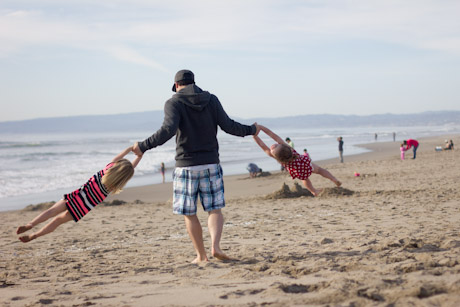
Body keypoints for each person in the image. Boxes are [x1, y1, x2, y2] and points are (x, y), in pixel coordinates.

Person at [133, 69, 257, 263]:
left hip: (186, 166)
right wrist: (252, 130)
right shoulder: (212, 100)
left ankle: (201, 256)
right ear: (194, 82)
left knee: (189, 214)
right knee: (214, 210)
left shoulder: (173, 102)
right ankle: (215, 247)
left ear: (176, 86)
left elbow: (167, 130)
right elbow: (229, 126)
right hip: (211, 164)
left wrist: (142, 146)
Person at [16, 146, 142, 243]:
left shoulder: (107, 169)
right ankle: (34, 235)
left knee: (51, 211)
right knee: (57, 221)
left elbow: (119, 157)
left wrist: (131, 148)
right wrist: (140, 157)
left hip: (77, 196)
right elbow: (131, 168)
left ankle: (30, 224)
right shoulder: (114, 185)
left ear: (117, 165)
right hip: (83, 207)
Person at [254, 125, 341, 196]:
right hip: (305, 164)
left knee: (305, 180)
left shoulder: (277, 158)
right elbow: (273, 135)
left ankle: (314, 191)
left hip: (299, 171)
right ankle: (333, 179)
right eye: (274, 147)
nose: (273, 145)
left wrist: (254, 134)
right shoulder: (288, 148)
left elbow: (262, 146)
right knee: (320, 170)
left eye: (275, 146)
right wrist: (261, 127)